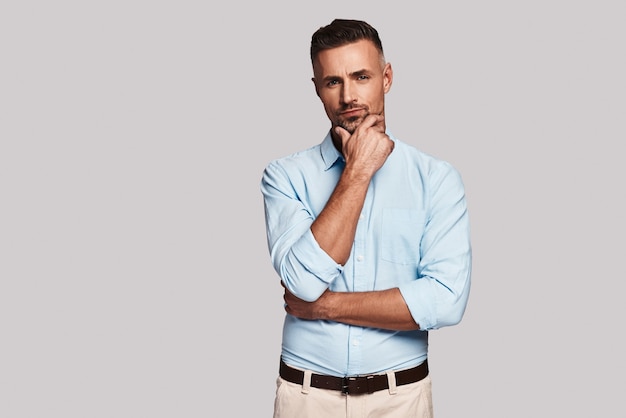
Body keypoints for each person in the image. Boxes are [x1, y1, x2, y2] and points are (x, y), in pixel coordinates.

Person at [260, 18, 472, 418]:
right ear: (317, 89)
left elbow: (445, 302)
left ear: (387, 77)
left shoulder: (436, 179)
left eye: (361, 76)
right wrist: (357, 171)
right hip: (307, 398)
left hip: (401, 399)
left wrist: (326, 307)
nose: (348, 96)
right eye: (333, 82)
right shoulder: (284, 176)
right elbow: (303, 282)